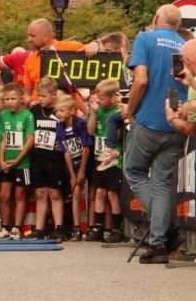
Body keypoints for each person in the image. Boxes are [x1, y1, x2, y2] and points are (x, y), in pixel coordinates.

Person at [123, 4, 187, 264]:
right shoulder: (185, 44)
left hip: (149, 118)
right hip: (177, 120)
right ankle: (159, 241)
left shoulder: (145, 38)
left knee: (134, 171)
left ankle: (163, 231)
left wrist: (129, 110)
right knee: (161, 182)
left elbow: (140, 80)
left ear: (156, 18)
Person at [27, 76, 67, 240]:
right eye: (38, 95)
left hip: (55, 159)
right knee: (41, 193)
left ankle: (59, 226)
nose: (39, 99)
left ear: (54, 94)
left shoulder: (60, 110)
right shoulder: (34, 111)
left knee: (55, 193)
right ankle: (40, 227)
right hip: (37, 158)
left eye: (43, 96)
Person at [87, 79, 126, 243]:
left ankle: (116, 229)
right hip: (99, 156)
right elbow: (90, 131)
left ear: (112, 97)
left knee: (112, 194)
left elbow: (121, 135)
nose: (98, 101)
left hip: (115, 158)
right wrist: (94, 112)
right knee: (99, 193)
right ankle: (97, 227)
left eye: (102, 98)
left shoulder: (118, 112)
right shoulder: (99, 111)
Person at [0, 83, 34, 240]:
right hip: (6, 162)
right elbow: (3, 138)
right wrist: (2, 160)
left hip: (22, 163)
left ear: (21, 99)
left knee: (19, 194)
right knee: (4, 195)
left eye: (13, 98)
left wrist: (18, 159)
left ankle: (16, 227)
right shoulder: (3, 115)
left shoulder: (27, 116)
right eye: (7, 99)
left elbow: (30, 140)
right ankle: (5, 226)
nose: (10, 102)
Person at [54, 95, 92, 241]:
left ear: (71, 110)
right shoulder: (60, 127)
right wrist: (72, 175)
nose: (58, 114)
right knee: (75, 193)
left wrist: (82, 171)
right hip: (73, 164)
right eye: (57, 111)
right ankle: (77, 228)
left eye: (62, 110)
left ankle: (92, 226)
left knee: (92, 194)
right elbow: (66, 152)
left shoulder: (80, 124)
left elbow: (86, 148)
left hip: (86, 162)